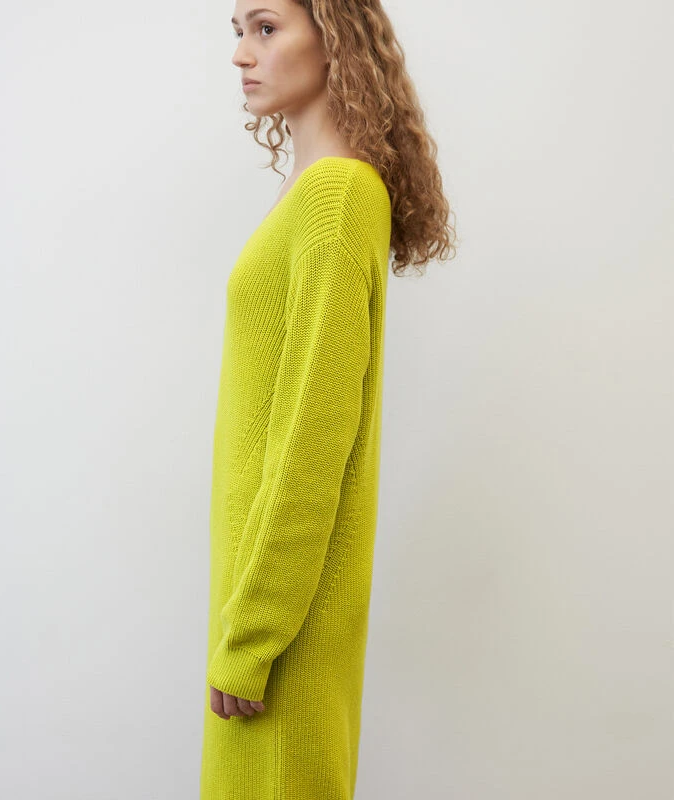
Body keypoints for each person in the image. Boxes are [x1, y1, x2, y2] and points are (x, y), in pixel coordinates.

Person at [200, 1, 457, 797]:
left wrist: (254, 637)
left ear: (334, 35)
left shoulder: (337, 196)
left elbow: (315, 435)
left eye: (265, 27)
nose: (241, 53)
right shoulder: (312, 191)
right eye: (237, 31)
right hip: (261, 609)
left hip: (282, 633)